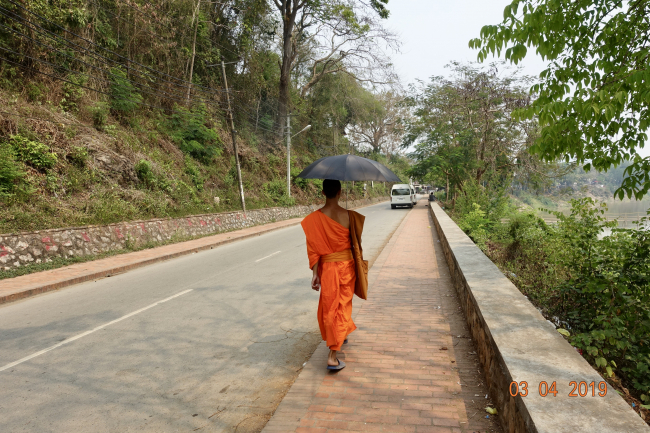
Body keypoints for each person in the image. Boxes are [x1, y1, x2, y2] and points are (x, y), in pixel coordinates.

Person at [301, 179, 365, 371]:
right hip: (346, 267)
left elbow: (314, 250)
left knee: (330, 306)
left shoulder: (314, 219)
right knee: (342, 305)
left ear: (322, 193)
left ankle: (340, 334)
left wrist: (315, 274)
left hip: (327, 269)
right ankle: (332, 355)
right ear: (339, 193)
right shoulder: (350, 216)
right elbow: (357, 243)